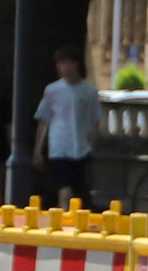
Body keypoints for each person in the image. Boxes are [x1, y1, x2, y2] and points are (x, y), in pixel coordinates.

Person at [33, 47, 102, 208]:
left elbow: (95, 120)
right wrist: (38, 149)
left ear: (74, 64)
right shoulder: (52, 90)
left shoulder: (89, 92)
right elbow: (44, 120)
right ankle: (63, 220)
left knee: (78, 192)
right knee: (64, 189)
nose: (59, 67)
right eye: (58, 63)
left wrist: (92, 144)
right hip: (59, 146)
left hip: (81, 147)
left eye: (63, 63)